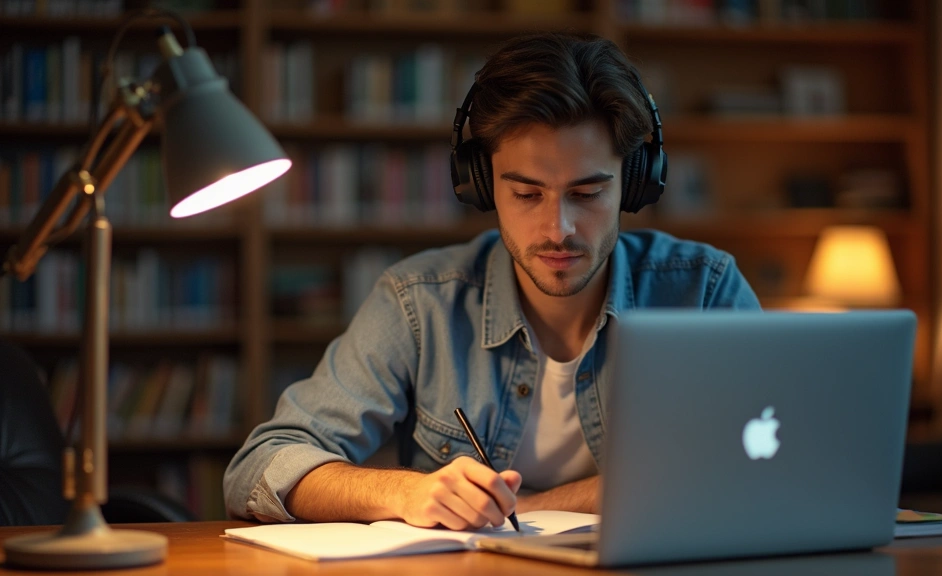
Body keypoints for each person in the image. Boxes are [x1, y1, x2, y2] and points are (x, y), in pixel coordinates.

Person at [224, 32, 760, 529]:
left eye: (588, 194)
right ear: (481, 186)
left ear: (635, 183)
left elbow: (757, 461)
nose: (558, 229)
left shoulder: (704, 290)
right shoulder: (419, 301)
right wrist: (406, 493)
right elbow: (261, 466)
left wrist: (530, 507)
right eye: (527, 194)